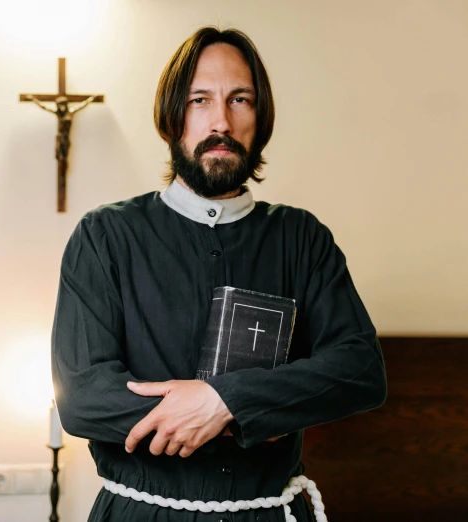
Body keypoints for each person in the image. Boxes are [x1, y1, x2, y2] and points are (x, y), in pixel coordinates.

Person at [51, 26, 387, 522]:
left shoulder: (302, 237)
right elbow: (83, 398)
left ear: (260, 117)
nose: (221, 121)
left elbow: (360, 369)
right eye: (199, 100)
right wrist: (236, 414)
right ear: (172, 118)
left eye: (240, 100)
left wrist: (225, 402)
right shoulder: (105, 236)